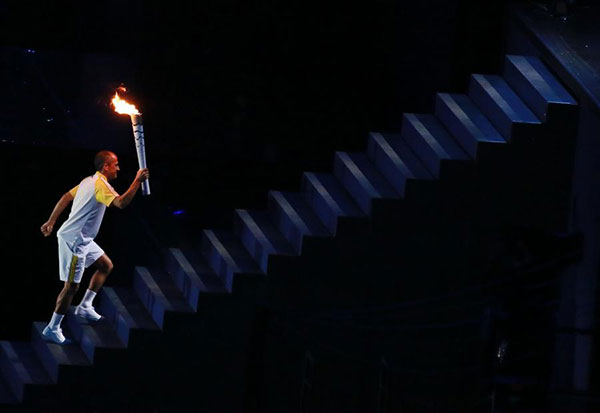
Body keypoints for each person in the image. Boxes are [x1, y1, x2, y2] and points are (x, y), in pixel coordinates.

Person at [40, 150, 149, 344]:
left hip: (83, 238)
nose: (118, 168)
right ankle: (53, 327)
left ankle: (85, 306)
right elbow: (122, 203)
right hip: (75, 242)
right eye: (115, 164)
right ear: (105, 166)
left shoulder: (88, 181)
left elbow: (66, 196)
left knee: (105, 265)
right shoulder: (100, 185)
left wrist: (51, 221)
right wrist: (137, 180)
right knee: (71, 287)